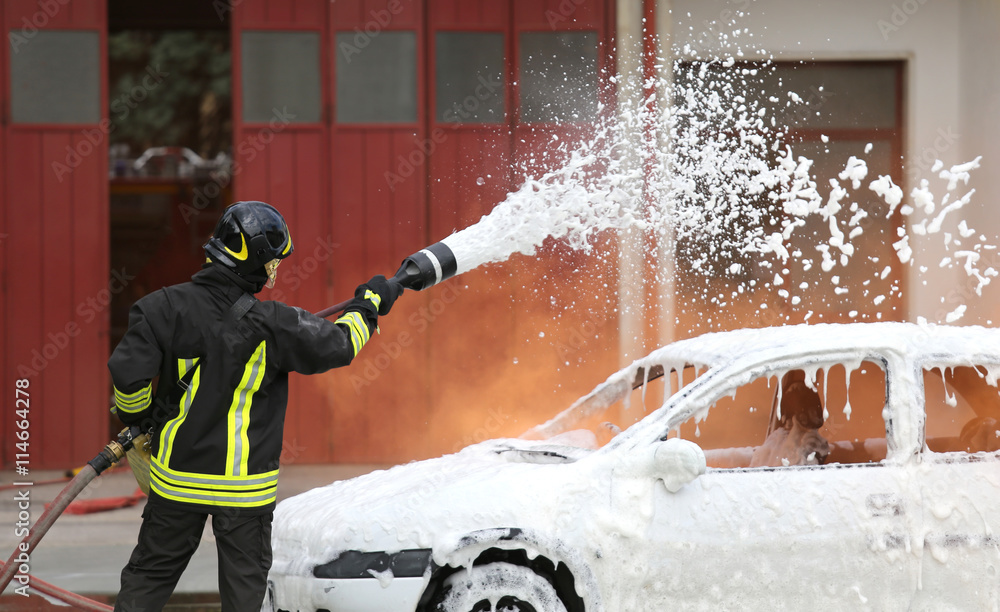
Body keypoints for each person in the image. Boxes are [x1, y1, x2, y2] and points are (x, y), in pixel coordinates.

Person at [108, 201, 401, 611]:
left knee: (149, 578)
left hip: (175, 481)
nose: (274, 272)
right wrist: (368, 306)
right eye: (273, 263)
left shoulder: (162, 306)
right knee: (244, 595)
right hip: (243, 494)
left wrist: (138, 419)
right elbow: (340, 345)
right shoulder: (275, 323)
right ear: (257, 262)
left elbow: (128, 376)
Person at [750, 371, 830, 468]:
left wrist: (796, 439)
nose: (790, 422)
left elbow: (799, 476)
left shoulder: (814, 443)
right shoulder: (774, 440)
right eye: (789, 414)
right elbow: (756, 470)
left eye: (798, 415)